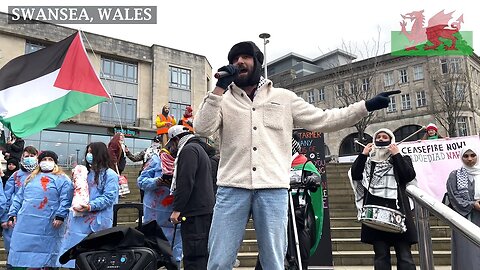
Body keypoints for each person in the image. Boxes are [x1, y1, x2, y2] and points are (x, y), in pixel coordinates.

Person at [193, 40, 399, 269]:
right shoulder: (222, 99)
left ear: (257, 63)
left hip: (272, 190)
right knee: (219, 260)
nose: (238, 62)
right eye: (233, 59)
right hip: (231, 188)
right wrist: (218, 89)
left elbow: (325, 119)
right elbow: (202, 129)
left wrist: (365, 106)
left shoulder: (283, 98)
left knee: (274, 261)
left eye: (245, 57)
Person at [349, 128, 417, 270]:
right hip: (376, 212)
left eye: (384, 137)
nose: (380, 139)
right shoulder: (369, 160)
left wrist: (396, 155)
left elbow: (408, 176)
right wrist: (363, 155)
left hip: (399, 211)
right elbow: (356, 174)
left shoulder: (402, 157)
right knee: (381, 256)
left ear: (391, 140)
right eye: (378, 137)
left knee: (405, 257)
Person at [7, 150, 73, 269]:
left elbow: (66, 199)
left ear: (55, 163)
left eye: (50, 160)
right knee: (25, 254)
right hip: (27, 223)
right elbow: (19, 197)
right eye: (44, 159)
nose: (47, 162)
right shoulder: (31, 178)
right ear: (39, 162)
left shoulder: (63, 179)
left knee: (47, 256)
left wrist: (60, 216)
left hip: (49, 224)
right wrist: (12, 213)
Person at [59, 142, 119, 268]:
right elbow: (73, 193)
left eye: (91, 152)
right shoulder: (84, 173)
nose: (88, 155)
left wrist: (91, 206)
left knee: (94, 259)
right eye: (88, 152)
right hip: (78, 219)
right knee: (75, 255)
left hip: (98, 220)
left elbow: (109, 197)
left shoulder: (110, 175)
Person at [168, 125, 215, 269]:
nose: (173, 148)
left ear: (176, 139)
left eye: (172, 143)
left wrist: (177, 209)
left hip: (195, 213)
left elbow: (186, 181)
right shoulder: (199, 149)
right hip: (203, 210)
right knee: (202, 255)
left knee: (194, 256)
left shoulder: (188, 150)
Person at [137, 138, 183, 265]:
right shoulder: (155, 160)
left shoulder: (185, 162)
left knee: (175, 256)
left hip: (174, 217)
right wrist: (157, 181)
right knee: (151, 255)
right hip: (153, 216)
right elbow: (141, 182)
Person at [1, 145, 39, 269]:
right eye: (26, 156)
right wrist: (4, 219)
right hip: (15, 220)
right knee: (14, 255)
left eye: (32, 156)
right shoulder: (16, 175)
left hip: (35, 221)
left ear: (37, 158)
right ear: (22, 158)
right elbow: (6, 197)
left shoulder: (42, 176)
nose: (29, 158)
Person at [446, 144, 480, 270]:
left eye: (473, 155)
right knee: (467, 255)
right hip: (465, 218)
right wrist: (472, 204)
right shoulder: (455, 175)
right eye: (466, 156)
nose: (469, 159)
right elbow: (453, 196)